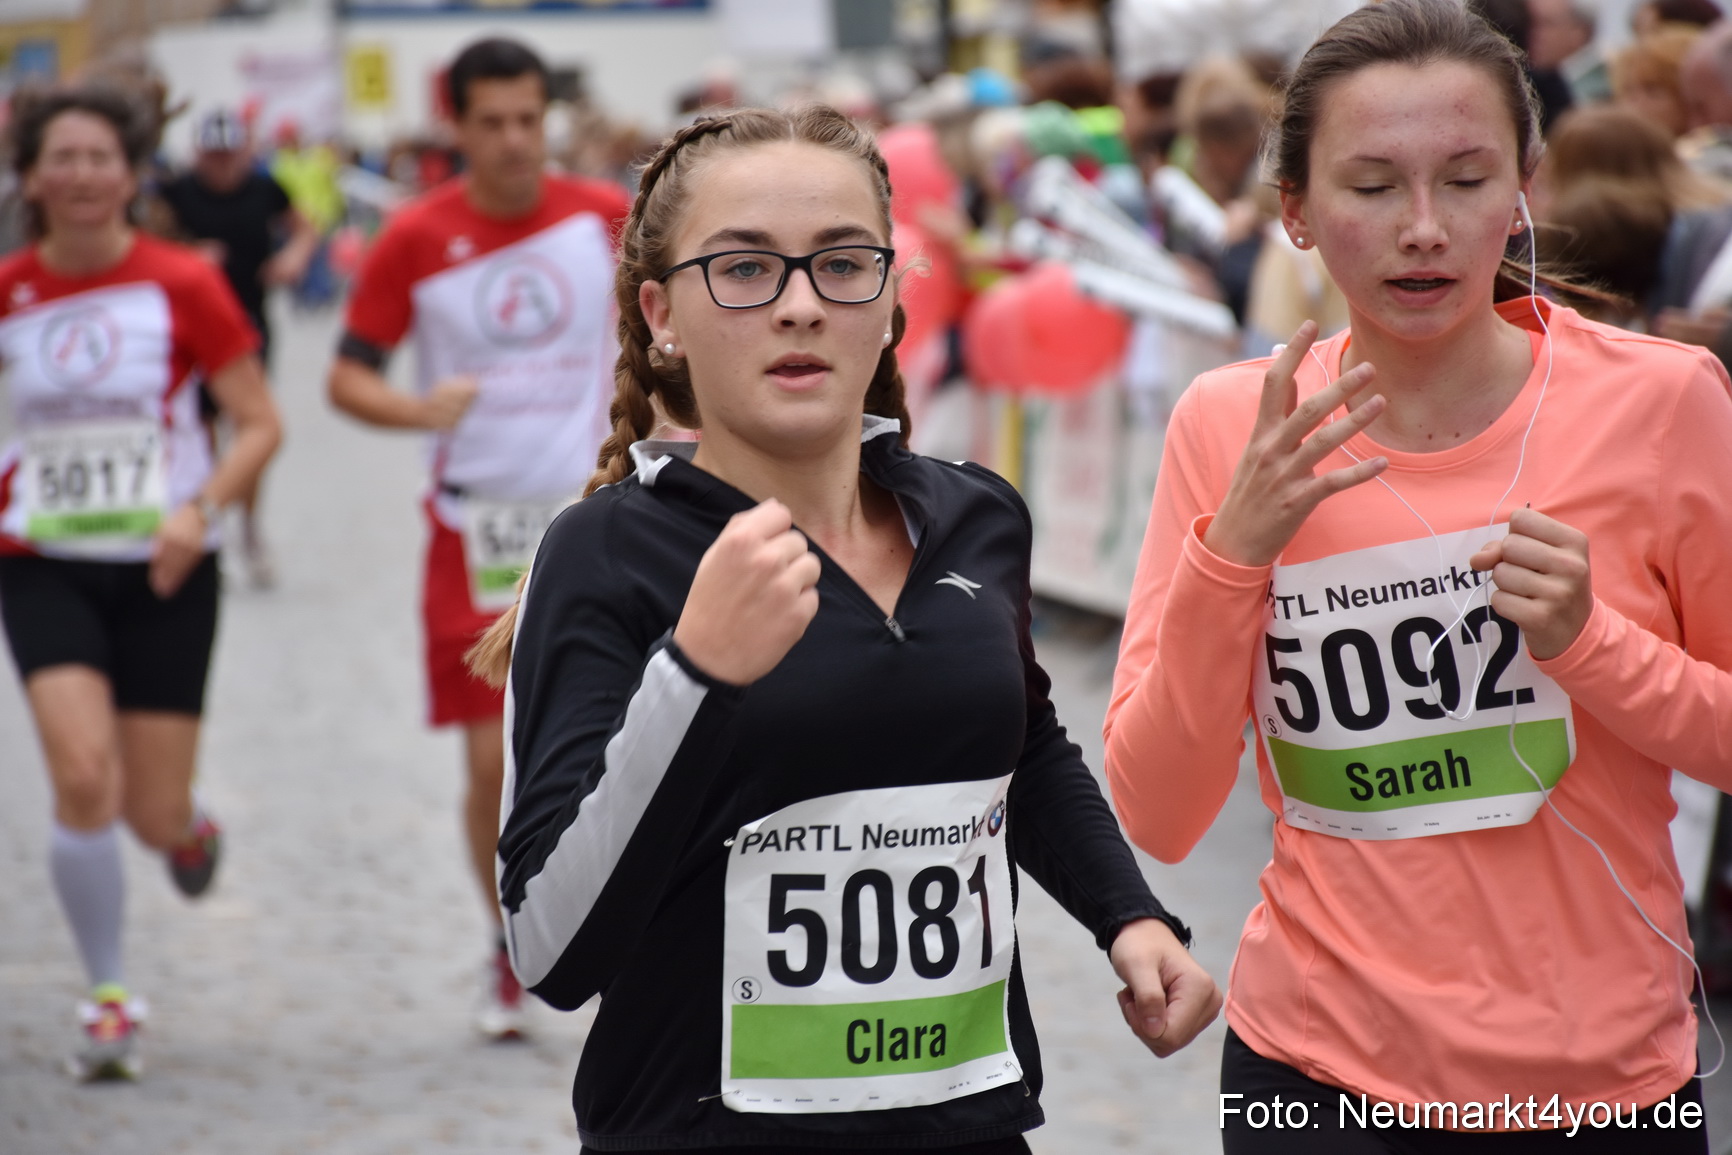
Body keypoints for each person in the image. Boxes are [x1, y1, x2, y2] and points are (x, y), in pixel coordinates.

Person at [465, 104, 1222, 1152]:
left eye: (841, 265)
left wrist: (1126, 914)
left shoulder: (976, 515)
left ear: (892, 297)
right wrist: (694, 674)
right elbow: (551, 949)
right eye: (743, 269)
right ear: (662, 313)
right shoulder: (606, 552)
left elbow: (1021, 743)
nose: (799, 306)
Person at [1104, 1, 1732, 1150]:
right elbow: (1157, 811)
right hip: (1315, 1077)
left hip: (1602, 1083)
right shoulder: (1234, 427)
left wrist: (1590, 644)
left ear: (1524, 186)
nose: (1424, 229)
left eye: (1466, 179)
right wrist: (1230, 557)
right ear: (1294, 211)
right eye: (1371, 186)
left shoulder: (1663, 401)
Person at [326, 36, 629, 1039]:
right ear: (454, 125)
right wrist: (416, 410)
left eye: (528, 119)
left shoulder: (603, 217)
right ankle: (506, 936)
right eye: (491, 122)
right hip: (474, 529)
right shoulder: (414, 237)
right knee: (490, 766)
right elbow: (347, 375)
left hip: (596, 513)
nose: (513, 141)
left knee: (634, 735)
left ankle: (636, 934)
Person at [0, 86, 281, 1080]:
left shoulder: (181, 283)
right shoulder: (9, 290)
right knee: (83, 777)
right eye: (61, 158)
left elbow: (260, 423)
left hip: (166, 569)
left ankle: (188, 825)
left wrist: (198, 511)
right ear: (31, 177)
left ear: (131, 175)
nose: (81, 175)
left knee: (148, 816)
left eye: (100, 157)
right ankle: (109, 995)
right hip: (41, 565)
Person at [158, 108, 318, 589]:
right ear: (199, 154)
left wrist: (293, 258)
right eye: (214, 157)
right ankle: (208, 524)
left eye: (231, 157)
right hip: (187, 329)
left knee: (251, 427)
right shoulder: (177, 191)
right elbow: (144, 240)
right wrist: (186, 258)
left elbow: (305, 227)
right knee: (202, 430)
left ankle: (248, 526)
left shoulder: (264, 187)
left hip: (248, 323)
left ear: (245, 152)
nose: (223, 167)